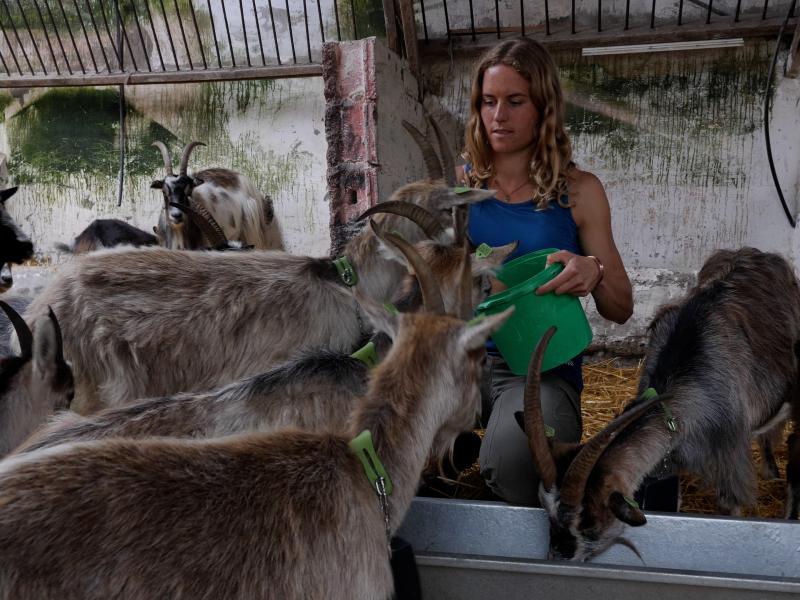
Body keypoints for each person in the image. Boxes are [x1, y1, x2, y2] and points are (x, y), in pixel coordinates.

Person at [456, 37, 634, 505]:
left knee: (515, 469)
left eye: (515, 102)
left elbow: (621, 308)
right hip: (465, 362)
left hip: (541, 369)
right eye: (488, 102)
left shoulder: (579, 192)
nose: (498, 116)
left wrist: (592, 270)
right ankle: (451, 447)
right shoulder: (460, 189)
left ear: (543, 108)